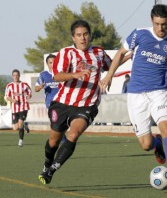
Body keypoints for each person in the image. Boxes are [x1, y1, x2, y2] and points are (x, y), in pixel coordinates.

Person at [100, 4, 167, 193]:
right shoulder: (139, 34)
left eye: (164, 24)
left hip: (159, 93)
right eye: (157, 24)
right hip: (136, 95)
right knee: (145, 145)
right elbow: (121, 53)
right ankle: (157, 143)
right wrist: (109, 75)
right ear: (151, 21)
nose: (160, 28)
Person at [38, 19, 112, 185]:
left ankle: (51, 171)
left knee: (73, 134)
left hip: (87, 105)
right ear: (73, 38)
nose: (83, 38)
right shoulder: (66, 53)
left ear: (89, 35)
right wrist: (74, 75)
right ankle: (47, 163)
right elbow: (56, 76)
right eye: (79, 35)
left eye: (85, 34)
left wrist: (127, 54)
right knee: (53, 141)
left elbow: (111, 64)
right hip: (63, 103)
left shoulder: (99, 53)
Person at [35, 54, 67, 143]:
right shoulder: (43, 75)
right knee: (55, 123)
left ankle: (63, 139)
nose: (52, 64)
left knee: (62, 123)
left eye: (54, 62)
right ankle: (63, 140)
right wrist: (40, 87)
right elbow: (36, 89)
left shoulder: (62, 73)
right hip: (50, 103)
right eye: (50, 62)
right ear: (47, 64)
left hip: (63, 101)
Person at [5, 69, 32, 147]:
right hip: (14, 109)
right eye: (14, 75)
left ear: (19, 76)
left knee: (20, 124)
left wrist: (29, 96)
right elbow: (7, 96)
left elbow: (29, 93)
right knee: (15, 128)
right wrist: (12, 100)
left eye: (17, 75)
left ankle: (20, 141)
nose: (15, 77)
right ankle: (25, 124)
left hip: (23, 107)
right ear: (12, 76)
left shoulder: (25, 85)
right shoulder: (9, 86)